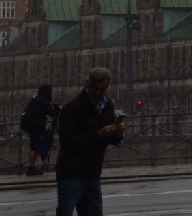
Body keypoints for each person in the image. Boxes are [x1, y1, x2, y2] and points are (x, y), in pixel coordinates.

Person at [54, 67, 124, 216]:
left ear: (107, 86)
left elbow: (112, 140)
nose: (98, 93)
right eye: (95, 89)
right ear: (88, 84)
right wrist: (97, 135)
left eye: (102, 90)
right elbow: (68, 143)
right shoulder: (72, 108)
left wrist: (118, 132)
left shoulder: (108, 106)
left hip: (93, 173)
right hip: (71, 173)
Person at [24, 83, 60, 176]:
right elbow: (52, 113)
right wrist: (57, 109)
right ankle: (31, 168)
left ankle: (31, 167)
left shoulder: (36, 99)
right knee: (36, 147)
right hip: (37, 127)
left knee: (33, 147)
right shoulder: (42, 101)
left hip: (32, 126)